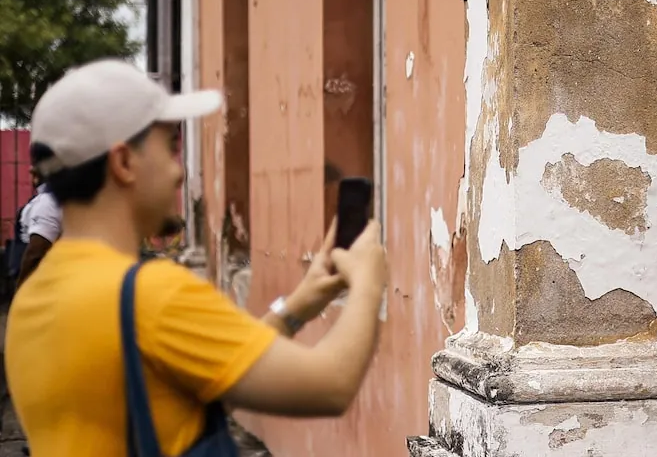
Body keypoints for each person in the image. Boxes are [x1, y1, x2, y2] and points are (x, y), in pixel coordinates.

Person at [5, 59, 388, 456]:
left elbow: (194, 395)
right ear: (124, 162)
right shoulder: (152, 295)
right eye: (170, 148)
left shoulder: (31, 304)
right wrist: (368, 283)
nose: (179, 172)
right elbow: (330, 386)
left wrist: (301, 303)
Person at [15, 166, 62, 287]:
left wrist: (21, 288)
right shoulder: (49, 198)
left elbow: (35, 252)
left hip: (39, 280)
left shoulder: (47, 201)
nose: (30, 169)